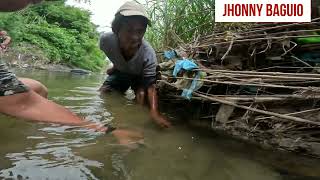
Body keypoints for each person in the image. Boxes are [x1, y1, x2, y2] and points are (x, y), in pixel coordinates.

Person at [0, 0, 143, 143]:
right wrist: (105, 129)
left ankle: (26, 130)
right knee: (24, 101)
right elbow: (25, 102)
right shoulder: (107, 40)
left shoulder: (144, 51)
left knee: (38, 88)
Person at [99, 1, 171, 128]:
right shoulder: (106, 41)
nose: (135, 37)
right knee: (104, 92)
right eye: (129, 30)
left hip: (139, 75)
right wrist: (115, 67)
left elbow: (150, 86)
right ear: (117, 29)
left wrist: (154, 113)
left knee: (141, 98)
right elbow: (115, 55)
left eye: (140, 31)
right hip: (121, 72)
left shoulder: (148, 53)